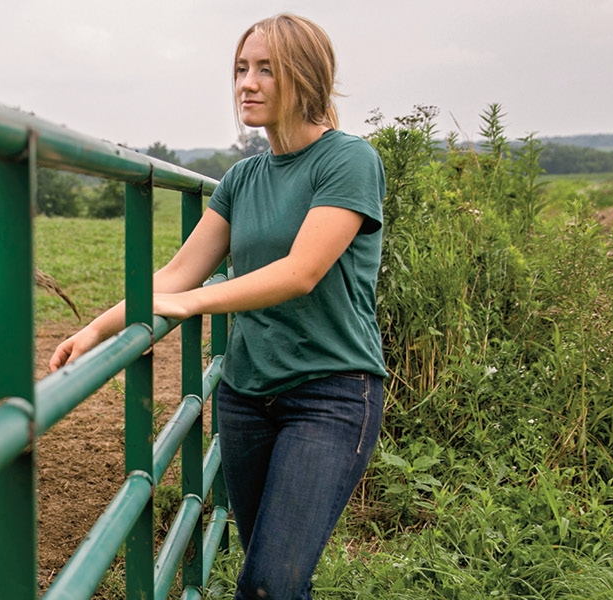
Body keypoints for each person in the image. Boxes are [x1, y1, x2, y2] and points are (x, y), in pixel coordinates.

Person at [47, 13, 386, 600]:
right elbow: (177, 274)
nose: (246, 84)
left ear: (305, 77)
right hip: (247, 397)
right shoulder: (241, 178)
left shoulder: (348, 160)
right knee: (268, 576)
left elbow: (301, 272)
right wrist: (97, 329)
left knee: (270, 586)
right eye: (240, 69)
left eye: (265, 70)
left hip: (330, 395)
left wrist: (192, 304)